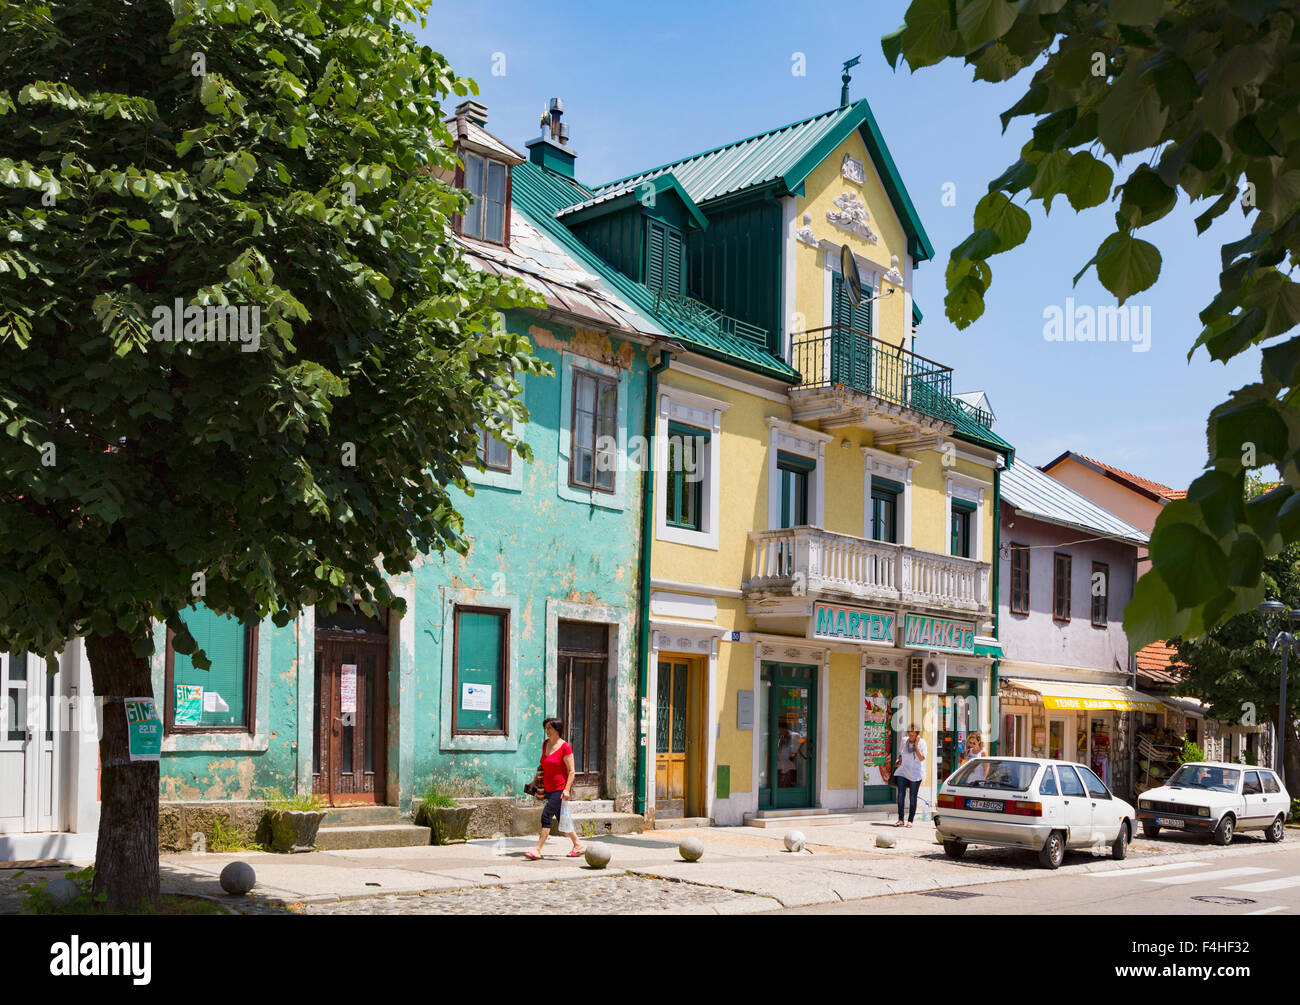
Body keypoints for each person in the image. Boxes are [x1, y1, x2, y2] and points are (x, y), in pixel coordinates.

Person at [525, 717, 585, 860]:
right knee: (561, 817)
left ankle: (537, 849)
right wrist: (534, 782)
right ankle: (578, 844)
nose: (547, 731)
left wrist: (567, 789)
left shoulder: (565, 747)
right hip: (548, 787)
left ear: (557, 730)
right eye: (545, 728)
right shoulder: (545, 744)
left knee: (546, 816)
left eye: (550, 728)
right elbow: (542, 766)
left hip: (559, 789)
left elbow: (571, 771)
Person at [892, 724, 926, 828]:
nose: (911, 737)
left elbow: (921, 758)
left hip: (916, 773)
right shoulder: (904, 740)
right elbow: (901, 754)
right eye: (909, 734)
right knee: (901, 795)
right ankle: (900, 819)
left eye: (913, 735)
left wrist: (916, 746)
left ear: (917, 735)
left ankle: (910, 820)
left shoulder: (922, 743)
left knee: (912, 796)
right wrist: (899, 759)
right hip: (903, 770)